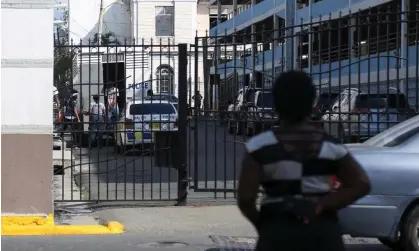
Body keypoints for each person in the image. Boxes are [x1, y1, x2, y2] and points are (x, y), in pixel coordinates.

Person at [237, 70, 371, 251]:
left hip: (277, 232)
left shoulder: (259, 146)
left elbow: (245, 198)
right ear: (311, 103)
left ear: (276, 104)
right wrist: (324, 203)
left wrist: (263, 225)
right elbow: (361, 184)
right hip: (323, 234)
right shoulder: (331, 146)